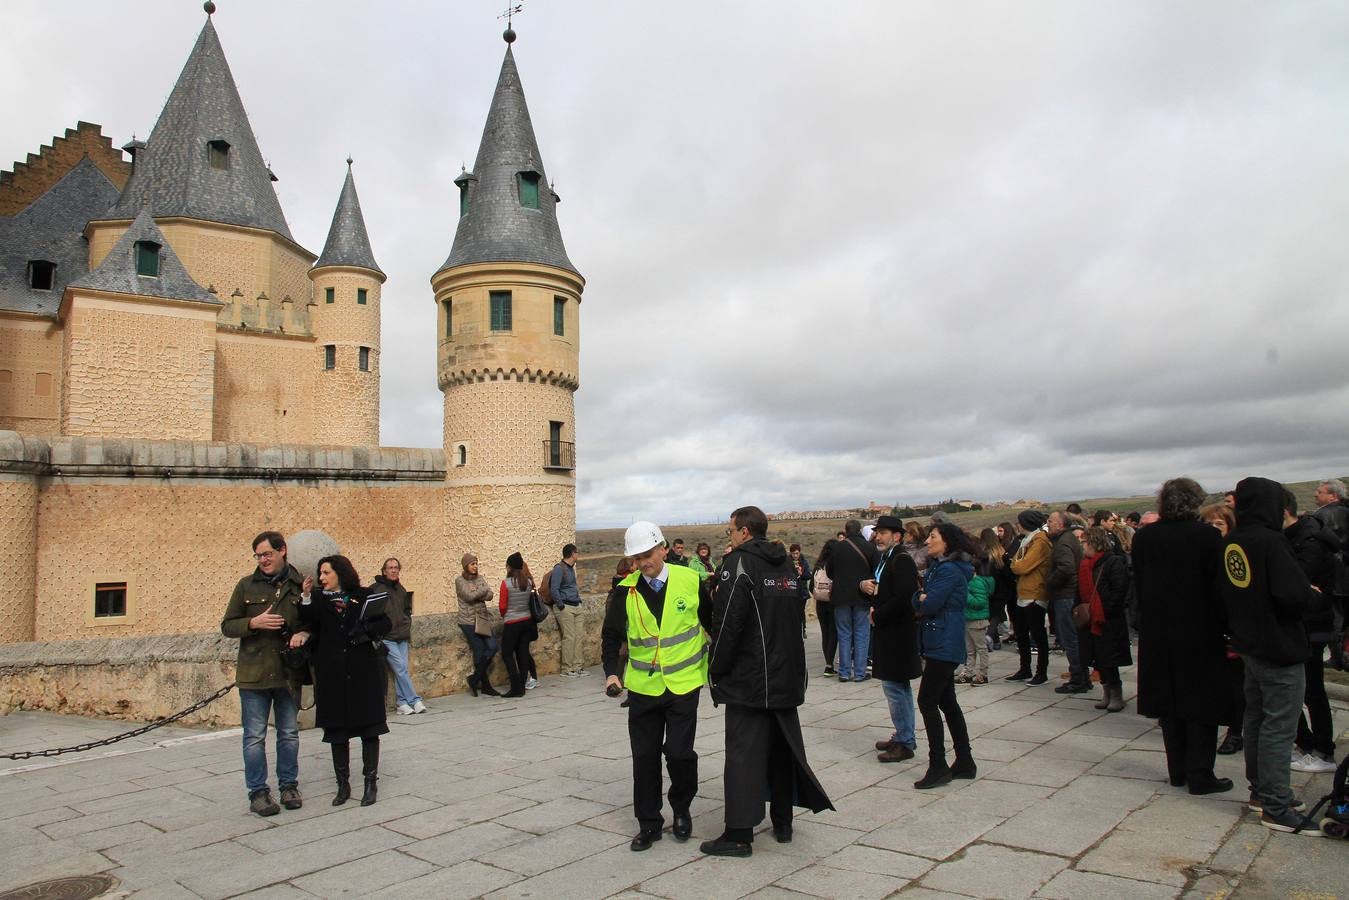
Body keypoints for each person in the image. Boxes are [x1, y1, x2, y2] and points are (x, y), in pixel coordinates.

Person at [702, 506, 833, 857]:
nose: (728, 536)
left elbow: (728, 623)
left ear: (744, 532)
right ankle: (783, 822)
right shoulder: (785, 565)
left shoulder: (738, 565)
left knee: (744, 756)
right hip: (787, 675)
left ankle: (739, 834)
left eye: (730, 530)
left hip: (751, 679)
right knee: (781, 751)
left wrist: (716, 668)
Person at [601, 522, 710, 852]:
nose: (643, 562)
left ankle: (681, 809)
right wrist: (611, 673)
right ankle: (649, 823)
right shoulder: (625, 590)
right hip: (643, 689)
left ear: (663, 548)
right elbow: (611, 636)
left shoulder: (690, 580)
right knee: (644, 758)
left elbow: (713, 621)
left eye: (647, 554)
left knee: (679, 754)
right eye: (636, 557)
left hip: (684, 684)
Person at [1219, 477, 1319, 834]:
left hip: (1249, 642)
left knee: (1257, 719)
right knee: (1280, 725)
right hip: (1278, 644)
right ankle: (1276, 803)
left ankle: (1262, 791)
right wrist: (1313, 595)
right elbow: (1293, 596)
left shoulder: (1233, 541)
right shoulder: (1271, 542)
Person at [1134, 477, 1233, 796]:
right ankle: (1200, 774)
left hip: (1158, 629)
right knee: (1200, 704)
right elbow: (1218, 587)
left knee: (1170, 704)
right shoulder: (1207, 536)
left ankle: (1177, 770)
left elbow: (1142, 581)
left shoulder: (1145, 537)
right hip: (1198, 629)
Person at [292, 555, 391, 807]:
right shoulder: (316, 600)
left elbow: (385, 623)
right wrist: (304, 596)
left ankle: (370, 782)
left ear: (340, 573)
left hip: (362, 670)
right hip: (332, 673)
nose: (322, 578)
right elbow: (308, 619)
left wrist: (365, 632)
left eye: (326, 573)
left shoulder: (363, 594)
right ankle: (342, 785)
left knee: (369, 728)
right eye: (320, 573)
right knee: (337, 731)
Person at [220, 531, 306, 817]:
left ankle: (289, 786)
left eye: (267, 554)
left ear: (282, 551)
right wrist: (253, 622)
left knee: (289, 734)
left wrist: (304, 632)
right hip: (254, 673)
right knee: (254, 736)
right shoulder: (246, 586)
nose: (263, 560)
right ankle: (258, 792)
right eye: (258, 556)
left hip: (286, 672)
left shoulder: (300, 586)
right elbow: (228, 625)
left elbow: (313, 622)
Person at [912, 523, 977, 788]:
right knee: (947, 702)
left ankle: (938, 765)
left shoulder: (949, 570)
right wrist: (921, 597)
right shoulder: (942, 567)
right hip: (941, 640)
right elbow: (923, 599)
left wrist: (919, 598)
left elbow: (930, 603)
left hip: (944, 642)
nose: (928, 541)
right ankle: (964, 761)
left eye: (933, 536)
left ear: (947, 542)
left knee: (927, 701)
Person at [1283, 490, 1338, 774]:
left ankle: (1324, 751)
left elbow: (1298, 581)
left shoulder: (1310, 540)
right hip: (1298, 620)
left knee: (1313, 689)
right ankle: (1305, 743)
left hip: (1313, 623)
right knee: (1298, 689)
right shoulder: (1294, 537)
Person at [866, 515, 922, 762]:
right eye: (877, 532)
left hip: (897, 633)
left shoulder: (901, 560)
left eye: (884, 533)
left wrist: (878, 615)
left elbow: (903, 597)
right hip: (889, 631)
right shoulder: (888, 558)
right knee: (897, 688)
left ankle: (905, 741)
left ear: (897, 536)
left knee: (896, 689)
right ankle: (902, 734)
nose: (878, 536)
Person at [1201, 504, 1244, 755]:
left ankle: (1235, 732)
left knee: (1237, 685)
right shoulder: (1200, 553)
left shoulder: (1234, 552)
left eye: (1219, 524)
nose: (1213, 529)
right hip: (1208, 627)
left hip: (1234, 627)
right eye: (1208, 524)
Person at [1079, 527, 1132, 712]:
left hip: (1108, 619)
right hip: (1090, 619)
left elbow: (1119, 590)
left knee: (1110, 659)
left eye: (1084, 542)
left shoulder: (1112, 561)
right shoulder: (1085, 563)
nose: (1082, 546)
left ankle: (1116, 693)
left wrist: (1105, 609)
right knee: (1098, 658)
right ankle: (1106, 691)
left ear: (1094, 542)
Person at [823, 519, 879, 682]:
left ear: (846, 531)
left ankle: (844, 672)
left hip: (841, 597)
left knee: (844, 633)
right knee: (862, 634)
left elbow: (830, 572)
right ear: (860, 530)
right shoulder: (870, 547)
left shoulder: (837, 547)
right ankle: (860, 673)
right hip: (862, 596)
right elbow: (876, 570)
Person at [1046, 511, 1089, 694]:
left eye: (1050, 521)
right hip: (1068, 594)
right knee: (1072, 638)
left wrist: (1048, 582)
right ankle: (1081, 677)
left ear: (1060, 524)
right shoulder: (1067, 539)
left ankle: (1078, 678)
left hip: (1065, 595)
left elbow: (1066, 568)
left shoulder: (1063, 542)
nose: (1048, 524)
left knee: (1070, 639)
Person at [375, 557, 425, 716]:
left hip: (402, 636)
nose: (394, 570)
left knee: (401, 669)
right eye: (390, 568)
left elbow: (406, 610)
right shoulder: (377, 589)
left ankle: (402, 703)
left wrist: (406, 622)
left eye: (396, 567)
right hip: (387, 637)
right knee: (401, 669)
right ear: (384, 571)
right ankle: (415, 699)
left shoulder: (401, 589)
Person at [1008, 510, 1052, 684]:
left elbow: (1021, 566)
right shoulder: (1026, 540)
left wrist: (1015, 563)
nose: (1017, 525)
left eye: (1019, 522)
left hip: (1034, 593)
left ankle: (1042, 672)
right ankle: (1024, 668)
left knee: (1038, 634)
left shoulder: (1040, 541)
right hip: (1023, 592)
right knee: (1022, 634)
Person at [1311, 479, 1348, 670]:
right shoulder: (1346, 512)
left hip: (1334, 575)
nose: (1315, 494)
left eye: (1320, 491)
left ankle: (1337, 655)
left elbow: (1318, 546)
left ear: (1333, 495)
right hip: (1344, 573)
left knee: (1335, 618)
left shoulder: (1322, 515)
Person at [456, 553, 501, 697]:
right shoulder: (459, 580)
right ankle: (486, 685)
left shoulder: (480, 579)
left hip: (482, 619)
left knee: (493, 647)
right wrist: (481, 590)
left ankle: (474, 678)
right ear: (466, 566)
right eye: (472, 564)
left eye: (476, 563)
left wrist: (477, 590)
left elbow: (490, 595)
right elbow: (468, 596)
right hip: (468, 621)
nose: (475, 566)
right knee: (479, 651)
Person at [499, 552, 539, 698]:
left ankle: (515, 686)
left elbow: (502, 607)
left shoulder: (506, 583)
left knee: (507, 654)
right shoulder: (528, 582)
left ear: (509, 567)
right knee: (522, 653)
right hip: (527, 621)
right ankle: (522, 684)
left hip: (512, 623)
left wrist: (506, 615)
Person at [956, 533, 993, 685]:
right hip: (969, 618)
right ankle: (969, 672)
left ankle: (983, 674)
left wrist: (964, 594)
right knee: (969, 650)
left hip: (977, 620)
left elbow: (979, 602)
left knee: (981, 649)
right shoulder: (971, 581)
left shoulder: (976, 582)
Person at [551, 543, 586, 677]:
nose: (578, 555)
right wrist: (561, 605)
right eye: (577, 552)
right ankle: (566, 669)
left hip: (576, 605)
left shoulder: (571, 568)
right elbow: (554, 589)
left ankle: (577, 667)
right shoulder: (559, 569)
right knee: (569, 637)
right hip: (565, 607)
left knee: (578, 637)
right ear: (572, 554)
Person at [812, 545, 837, 676]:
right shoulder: (835, 566)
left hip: (820, 603)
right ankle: (829, 664)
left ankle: (828, 663)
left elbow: (812, 586)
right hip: (832, 603)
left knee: (825, 633)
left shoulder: (818, 566)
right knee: (833, 633)